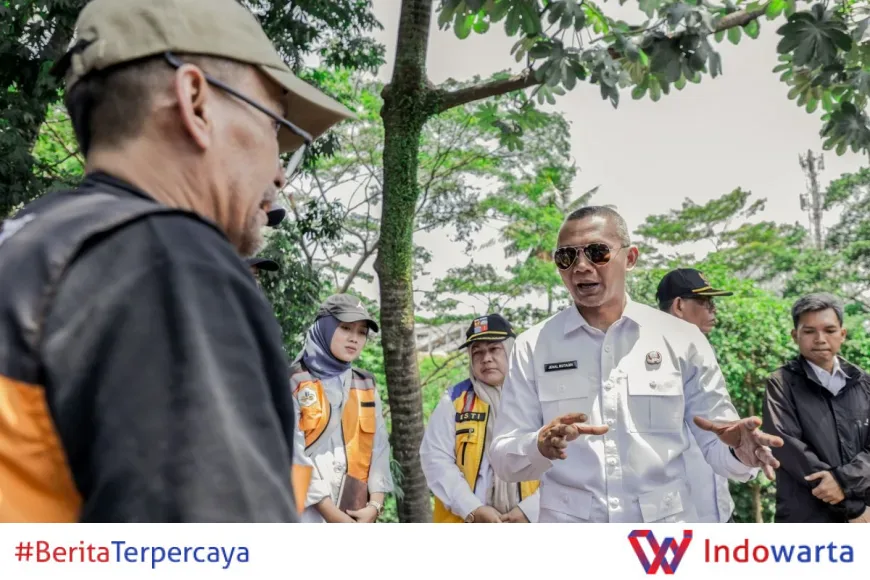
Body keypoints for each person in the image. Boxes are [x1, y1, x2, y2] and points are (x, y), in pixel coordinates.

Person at [0, 0, 352, 522]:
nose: (280, 174)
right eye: (273, 127)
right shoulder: (167, 263)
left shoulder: (30, 242)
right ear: (195, 102)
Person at [489, 206, 782, 523]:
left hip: (662, 537)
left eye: (597, 252)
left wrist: (740, 450)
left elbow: (717, 443)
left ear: (630, 258)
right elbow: (504, 459)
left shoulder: (682, 339)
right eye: (566, 257)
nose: (581, 266)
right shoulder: (532, 346)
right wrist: (539, 444)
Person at [421, 313, 540, 523]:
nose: (486, 358)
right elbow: (435, 459)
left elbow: (566, 462)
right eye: (477, 352)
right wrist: (472, 509)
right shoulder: (454, 401)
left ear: (512, 350)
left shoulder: (538, 398)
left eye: (494, 349)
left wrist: (529, 510)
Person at [762, 293, 870, 523]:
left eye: (830, 330)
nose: (820, 339)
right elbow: (788, 448)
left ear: (842, 334)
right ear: (795, 335)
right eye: (809, 331)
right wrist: (853, 507)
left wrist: (845, 483)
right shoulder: (781, 384)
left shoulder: (864, 383)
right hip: (808, 518)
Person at [291, 294, 393, 523]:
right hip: (304, 515)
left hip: (355, 512)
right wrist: (333, 516)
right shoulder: (294, 381)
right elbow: (292, 455)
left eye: (362, 332)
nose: (354, 339)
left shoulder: (365, 384)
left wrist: (375, 505)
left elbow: (379, 448)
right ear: (324, 328)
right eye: (346, 328)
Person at [656, 268, 735, 522]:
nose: (713, 309)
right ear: (679, 305)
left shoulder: (701, 353)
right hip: (678, 516)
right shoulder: (650, 360)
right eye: (705, 301)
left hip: (720, 509)